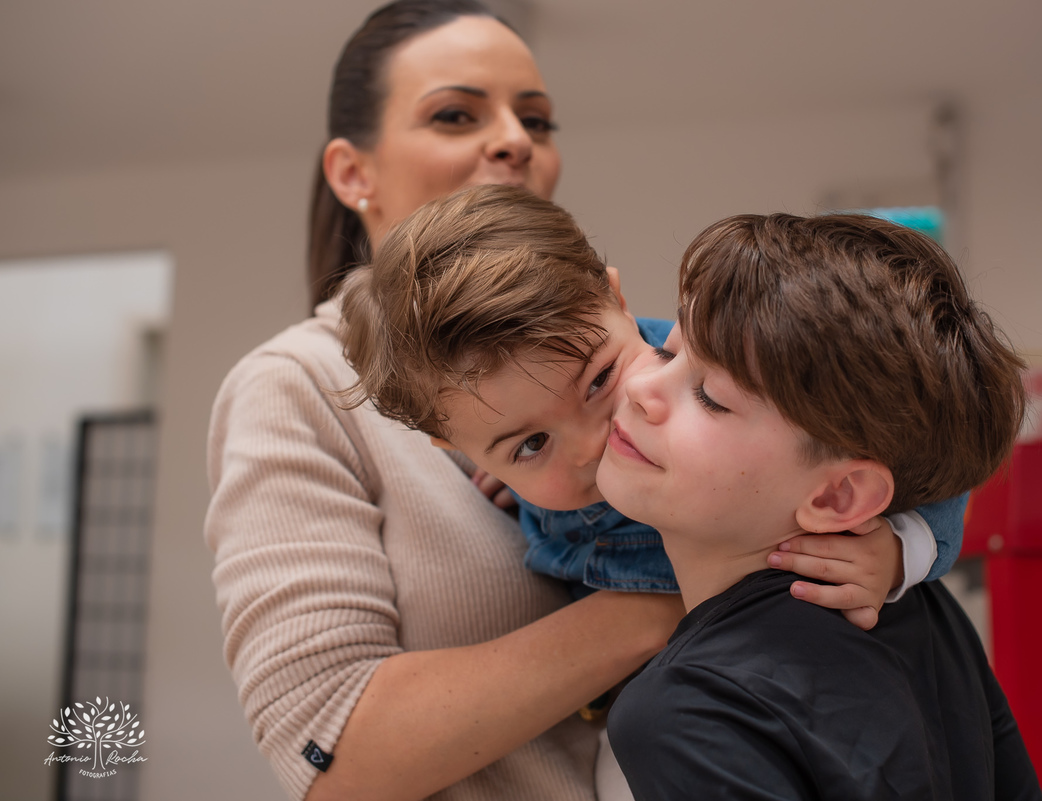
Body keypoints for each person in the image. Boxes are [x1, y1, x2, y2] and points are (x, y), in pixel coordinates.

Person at [204, 4, 916, 801]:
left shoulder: (650, 362)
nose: (515, 138)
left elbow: (875, 470)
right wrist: (696, 583)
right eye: (455, 113)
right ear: (351, 172)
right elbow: (330, 750)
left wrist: (898, 547)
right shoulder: (296, 387)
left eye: (536, 119)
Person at [339, 184, 967, 615]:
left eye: (597, 381)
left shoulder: (719, 373)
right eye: (532, 442)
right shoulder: (506, 450)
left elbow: (927, 446)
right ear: (456, 447)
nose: (592, 443)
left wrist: (899, 550)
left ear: (616, 300)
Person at [600, 213, 1042, 799]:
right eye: (664, 351)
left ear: (839, 496)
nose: (638, 388)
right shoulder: (924, 612)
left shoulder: (689, 707)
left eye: (711, 397)